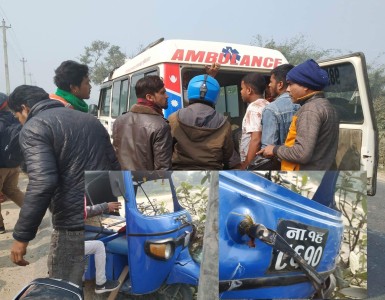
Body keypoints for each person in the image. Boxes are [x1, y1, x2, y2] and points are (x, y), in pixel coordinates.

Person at [7, 85, 120, 288]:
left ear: (24, 108)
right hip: (96, 211)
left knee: (64, 282)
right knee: (89, 267)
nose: (20, 121)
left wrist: (21, 237)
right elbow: (113, 166)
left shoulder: (34, 126)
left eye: (17, 116)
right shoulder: (91, 120)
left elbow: (42, 182)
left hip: (70, 221)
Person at [257, 59, 339, 170]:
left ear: (305, 86)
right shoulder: (326, 105)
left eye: (290, 84)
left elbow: (301, 154)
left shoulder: (310, 110)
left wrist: (274, 149)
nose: (288, 89)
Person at [168, 74, 234, 170]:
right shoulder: (224, 123)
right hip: (211, 173)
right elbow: (228, 154)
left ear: (190, 91)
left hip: (179, 172)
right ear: (215, 95)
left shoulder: (174, 118)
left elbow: (166, 149)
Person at [113, 75, 172, 170]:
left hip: (123, 181)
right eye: (162, 93)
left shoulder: (119, 121)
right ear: (149, 97)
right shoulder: (161, 126)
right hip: (146, 183)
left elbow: (115, 158)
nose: (167, 96)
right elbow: (163, 170)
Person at [248, 64, 300, 170]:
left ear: (280, 84)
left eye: (271, 82)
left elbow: (267, 150)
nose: (269, 85)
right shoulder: (305, 104)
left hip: (281, 168)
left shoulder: (271, 109)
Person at [0, 92, 24, 234]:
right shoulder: (15, 119)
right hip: (14, 164)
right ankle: (33, 215)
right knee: (13, 191)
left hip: (0, 166)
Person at [85, 201, 122, 294]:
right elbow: (84, 211)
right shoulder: (72, 192)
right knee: (99, 245)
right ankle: (101, 284)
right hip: (69, 243)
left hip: (63, 240)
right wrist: (105, 206)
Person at [239, 73, 269, 169]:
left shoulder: (253, 108)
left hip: (253, 162)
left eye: (242, 88)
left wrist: (247, 164)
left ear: (249, 90)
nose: (241, 92)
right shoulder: (267, 104)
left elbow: (256, 139)